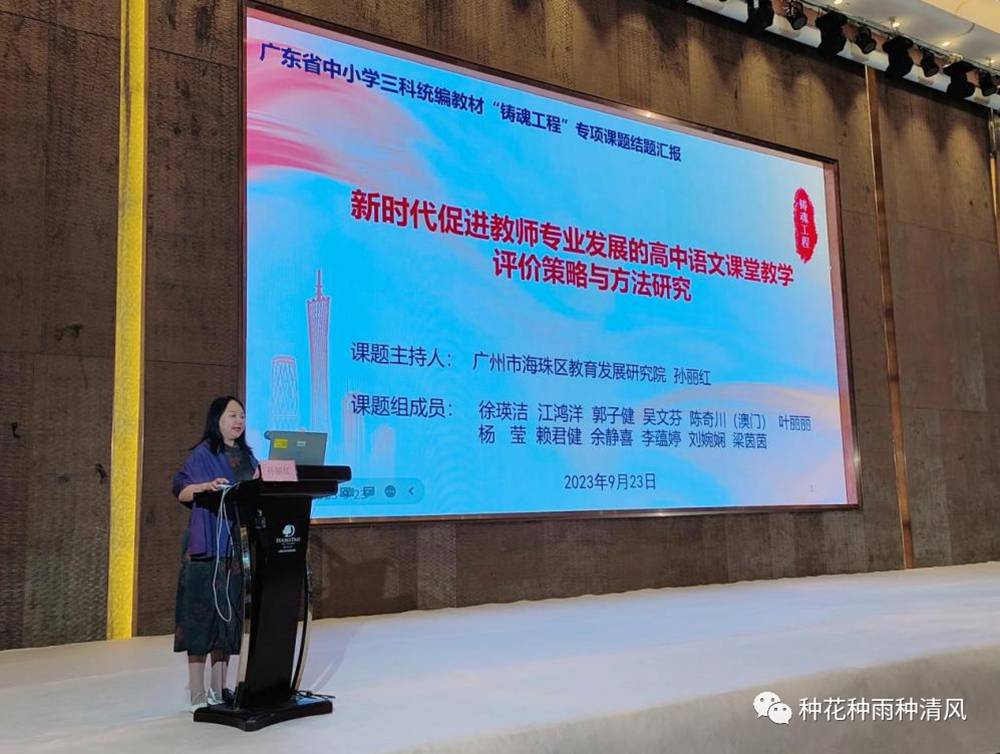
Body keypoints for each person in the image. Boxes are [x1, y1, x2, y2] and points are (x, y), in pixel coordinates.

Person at [172, 396, 258, 711]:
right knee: (200, 618)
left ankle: (219, 690)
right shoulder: (203, 453)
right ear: (216, 419)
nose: (239, 421)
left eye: (242, 416)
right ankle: (197, 693)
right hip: (206, 546)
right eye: (232, 415)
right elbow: (181, 490)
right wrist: (206, 486)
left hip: (236, 546)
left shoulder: (248, 458)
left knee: (227, 617)